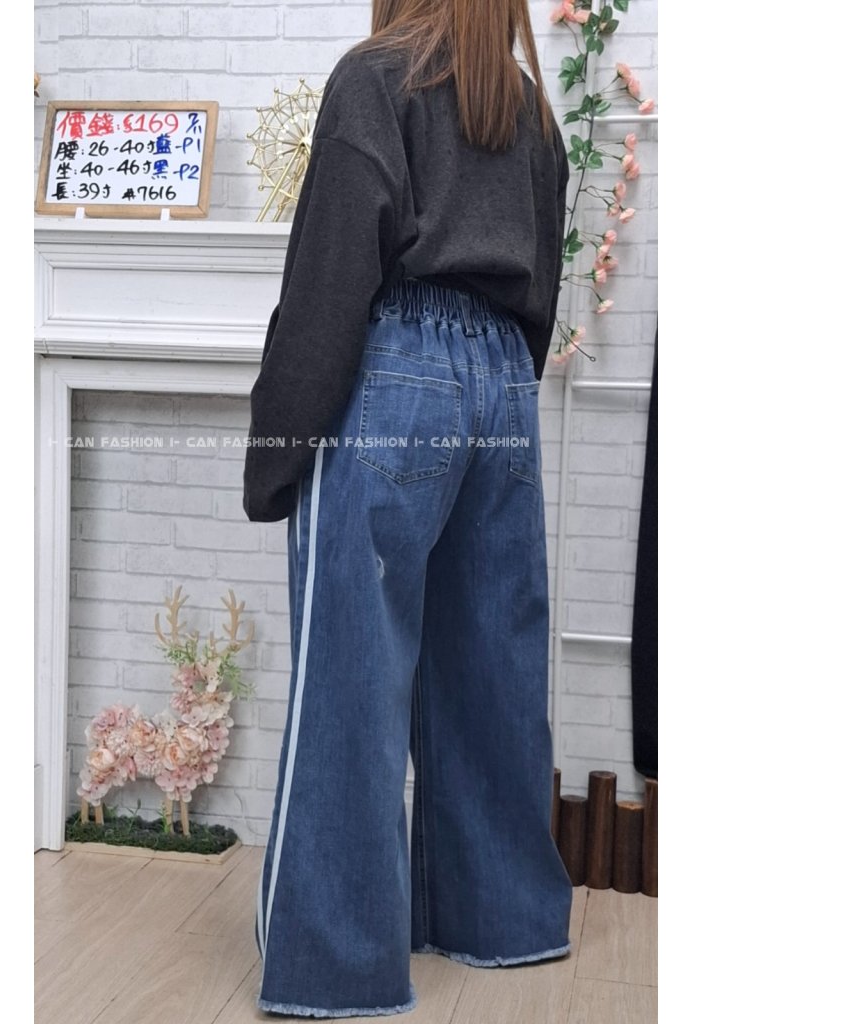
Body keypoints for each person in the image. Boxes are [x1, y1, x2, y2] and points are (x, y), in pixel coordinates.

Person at [242, 0, 573, 1017]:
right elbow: (543, 286)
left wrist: (277, 451)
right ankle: (504, 921)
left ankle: (338, 968)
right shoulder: (530, 110)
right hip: (504, 386)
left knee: (352, 679)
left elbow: (329, 280)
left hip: (397, 376)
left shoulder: (375, 78)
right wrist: (493, 393)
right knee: (492, 666)